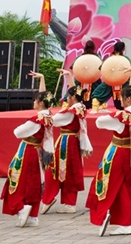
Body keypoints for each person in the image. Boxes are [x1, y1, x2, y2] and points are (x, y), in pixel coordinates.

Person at [86, 84, 131, 236]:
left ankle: (102, 214)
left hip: (117, 152)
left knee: (106, 183)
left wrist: (112, 114)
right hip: (130, 152)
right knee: (123, 186)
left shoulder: (122, 116)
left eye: (122, 97)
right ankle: (124, 223)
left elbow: (99, 122)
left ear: (128, 99)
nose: (120, 100)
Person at [1, 87, 54, 227]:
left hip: (27, 151)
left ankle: (20, 208)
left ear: (41, 103)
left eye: (35, 100)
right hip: (38, 151)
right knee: (34, 183)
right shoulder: (48, 117)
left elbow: (18, 132)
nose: (34, 102)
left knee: (18, 180)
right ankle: (33, 216)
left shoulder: (37, 119)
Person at [42, 77, 92, 214]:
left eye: (68, 97)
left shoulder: (71, 111)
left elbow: (53, 121)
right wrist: (69, 76)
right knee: (70, 170)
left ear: (73, 97)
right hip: (72, 141)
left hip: (66, 143)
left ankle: (49, 198)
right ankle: (69, 202)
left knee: (55, 168)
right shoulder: (81, 107)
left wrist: (44, 112)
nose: (66, 99)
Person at [92, 41, 131, 111]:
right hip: (123, 82)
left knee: (96, 93)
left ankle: (96, 108)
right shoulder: (126, 59)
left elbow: (101, 68)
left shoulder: (110, 59)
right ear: (123, 49)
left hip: (111, 82)